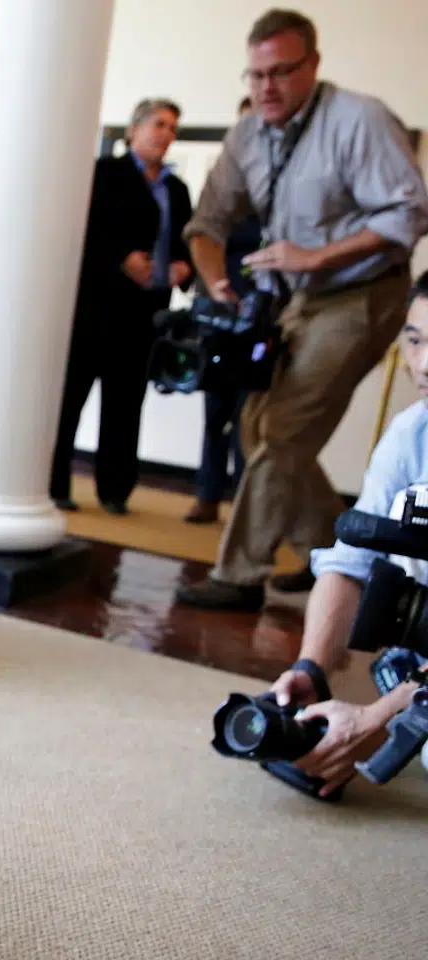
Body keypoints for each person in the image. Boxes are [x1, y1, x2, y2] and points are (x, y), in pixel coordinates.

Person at [175, 9, 428, 610]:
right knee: (256, 424)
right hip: (299, 299)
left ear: (312, 65)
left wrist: (316, 256)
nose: (266, 87)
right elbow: (207, 223)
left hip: (364, 294)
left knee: (284, 430)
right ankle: (330, 550)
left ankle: (238, 576)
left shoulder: (358, 119)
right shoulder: (248, 134)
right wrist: (217, 282)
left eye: (282, 72)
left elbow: (409, 213)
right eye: (256, 74)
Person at [265, 271, 428, 799]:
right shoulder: (412, 433)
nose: (423, 364)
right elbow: (351, 560)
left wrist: (380, 716)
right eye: (415, 340)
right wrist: (311, 667)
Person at [49, 99, 195, 515]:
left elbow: (184, 240)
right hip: (97, 306)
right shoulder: (104, 174)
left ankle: (115, 491)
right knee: (71, 398)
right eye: (158, 124)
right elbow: (83, 230)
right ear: (133, 130)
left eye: (172, 128)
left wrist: (184, 265)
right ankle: (54, 484)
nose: (166, 134)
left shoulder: (176, 189)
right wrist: (120, 259)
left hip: (147, 313)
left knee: (126, 403)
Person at [184, 97, 258, 525]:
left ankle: (245, 507)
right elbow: (201, 240)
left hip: (262, 320)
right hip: (220, 316)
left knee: (251, 418)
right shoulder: (222, 190)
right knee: (215, 412)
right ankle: (207, 496)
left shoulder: (281, 191)